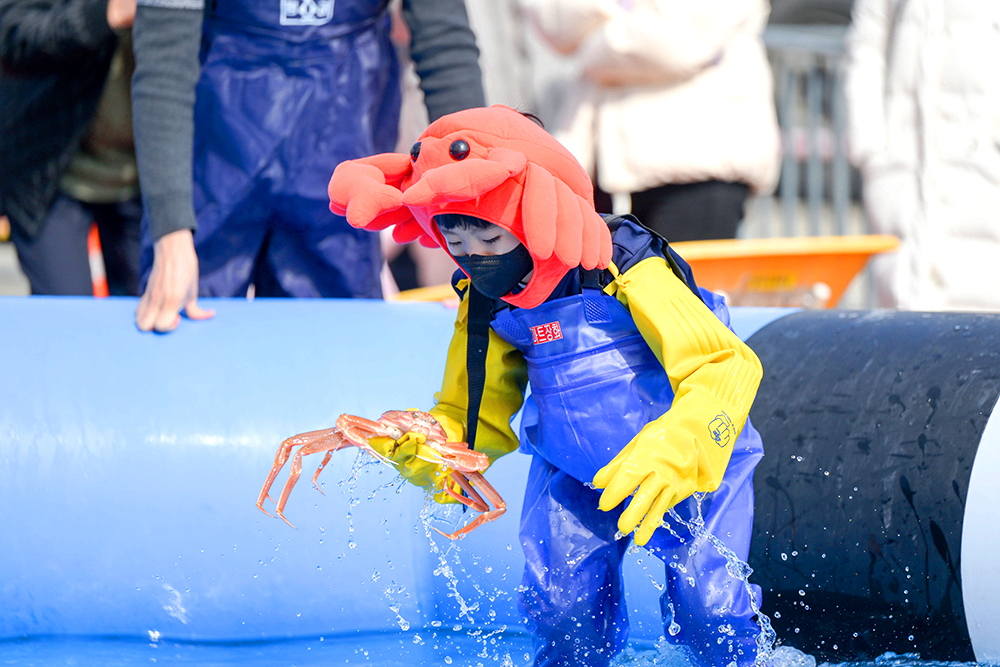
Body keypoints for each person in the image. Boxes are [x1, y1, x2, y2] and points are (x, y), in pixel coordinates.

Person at [327, 105, 767, 667]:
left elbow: (725, 364)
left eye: (489, 237)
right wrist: (431, 446)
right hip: (576, 472)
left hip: (688, 463)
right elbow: (472, 413)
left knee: (710, 613)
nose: (474, 258)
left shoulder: (622, 265)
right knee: (563, 616)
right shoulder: (488, 300)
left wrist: (683, 446)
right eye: (454, 242)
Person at [130, 0, 485, 332]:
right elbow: (164, 59)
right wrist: (170, 229)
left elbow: (444, 42)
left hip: (342, 149)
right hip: (213, 163)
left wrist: (476, 225)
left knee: (339, 344)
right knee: (187, 332)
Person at [519, 0, 781, 242]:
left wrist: (593, 43)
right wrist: (629, 13)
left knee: (688, 277)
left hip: (698, 170)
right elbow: (555, 20)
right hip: (600, 168)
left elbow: (674, 39)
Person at [844, 0, 1000, 311]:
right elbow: (866, 47)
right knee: (910, 318)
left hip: (983, 173)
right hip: (905, 176)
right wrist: (872, 151)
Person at [0, 0, 141, 296]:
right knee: (67, 311)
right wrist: (105, 14)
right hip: (47, 175)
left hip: (146, 182)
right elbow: (11, 33)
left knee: (152, 308)